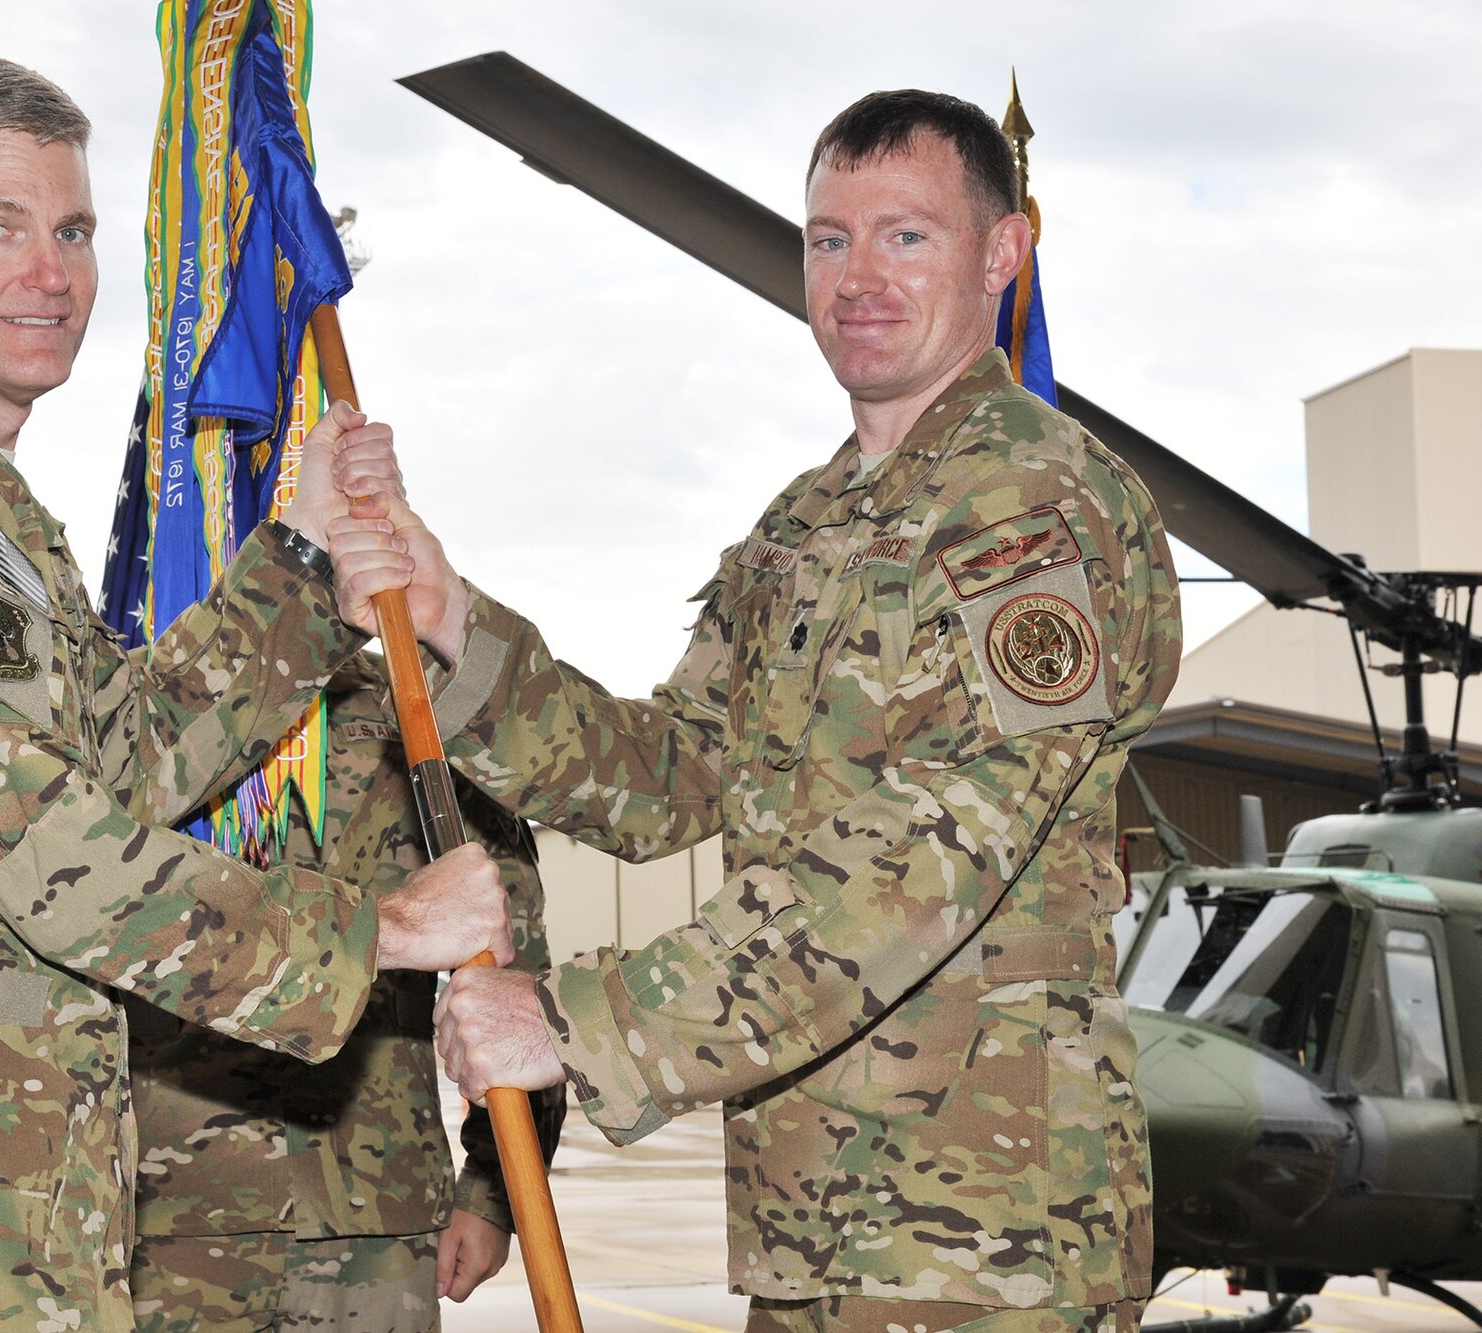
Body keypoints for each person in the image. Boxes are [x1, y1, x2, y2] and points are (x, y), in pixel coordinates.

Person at [0, 53, 508, 1333]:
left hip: (6, 1193)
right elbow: (47, 848)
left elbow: (117, 763)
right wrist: (382, 929)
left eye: (71, 230)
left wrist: (297, 559)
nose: (49, 274)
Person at [381, 89, 1182, 1333]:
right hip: (812, 1223)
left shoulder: (1027, 505)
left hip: (984, 1239)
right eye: (826, 239)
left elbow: (929, 851)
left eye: (905, 236)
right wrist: (454, 628)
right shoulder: (801, 528)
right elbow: (670, 777)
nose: (856, 277)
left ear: (1002, 253)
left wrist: (582, 1019)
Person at [126, 652, 568, 1332]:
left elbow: (516, 977)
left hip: (370, 1208)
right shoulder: (153, 701)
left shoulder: (422, 716)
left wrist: (492, 1194)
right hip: (169, 1205)